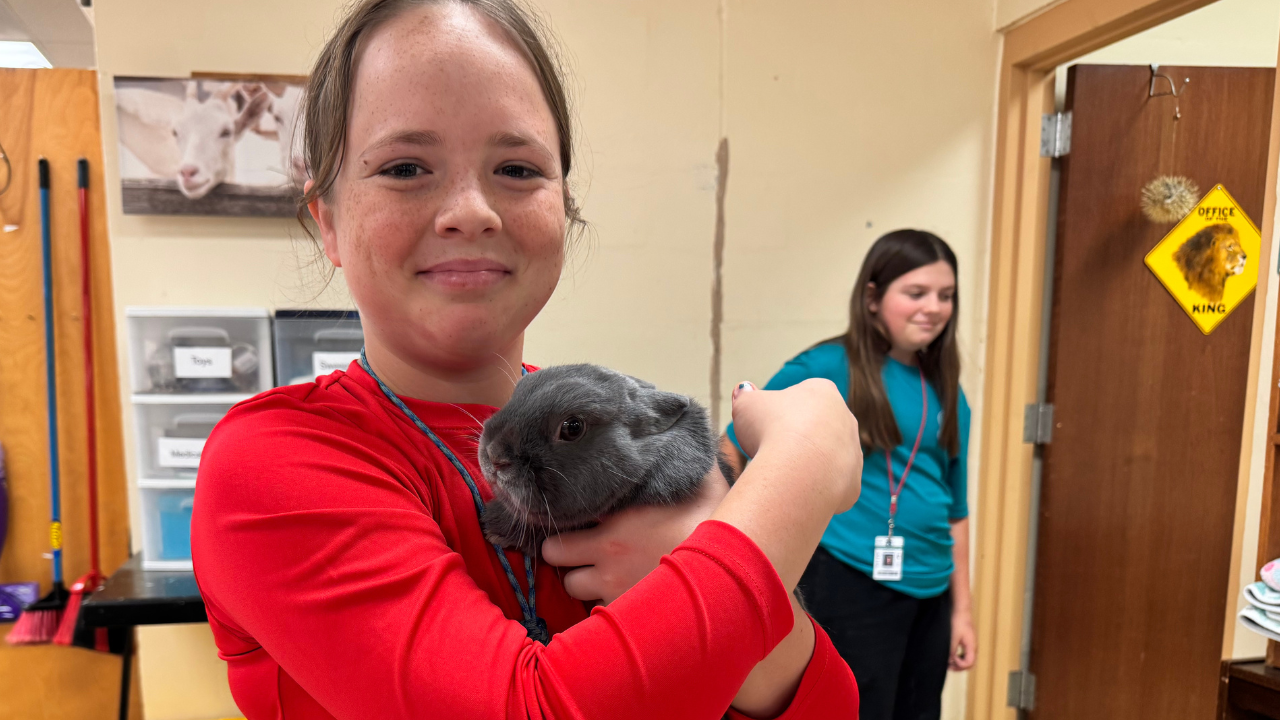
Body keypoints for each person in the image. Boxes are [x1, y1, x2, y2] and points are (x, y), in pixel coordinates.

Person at [190, 1, 863, 718]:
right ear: (328, 220)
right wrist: (801, 471)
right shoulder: (273, 466)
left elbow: (829, 705)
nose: (470, 210)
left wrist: (720, 590)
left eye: (516, 167)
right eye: (406, 167)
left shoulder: (595, 421)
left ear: (563, 206)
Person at [724, 229, 976, 720]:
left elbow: (957, 509)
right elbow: (734, 448)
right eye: (916, 293)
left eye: (946, 296)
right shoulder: (828, 365)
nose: (934, 308)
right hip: (852, 579)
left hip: (931, 590)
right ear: (874, 298)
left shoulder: (946, 388)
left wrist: (962, 612)